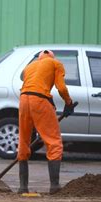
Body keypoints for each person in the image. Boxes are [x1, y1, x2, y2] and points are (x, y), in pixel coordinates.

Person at [17, 50, 74, 194]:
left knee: (23, 141)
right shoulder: (56, 63)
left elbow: (27, 80)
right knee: (54, 142)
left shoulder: (30, 66)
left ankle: (23, 187)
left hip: (24, 100)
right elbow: (61, 87)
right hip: (40, 101)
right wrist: (68, 103)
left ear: (40, 58)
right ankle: (54, 186)